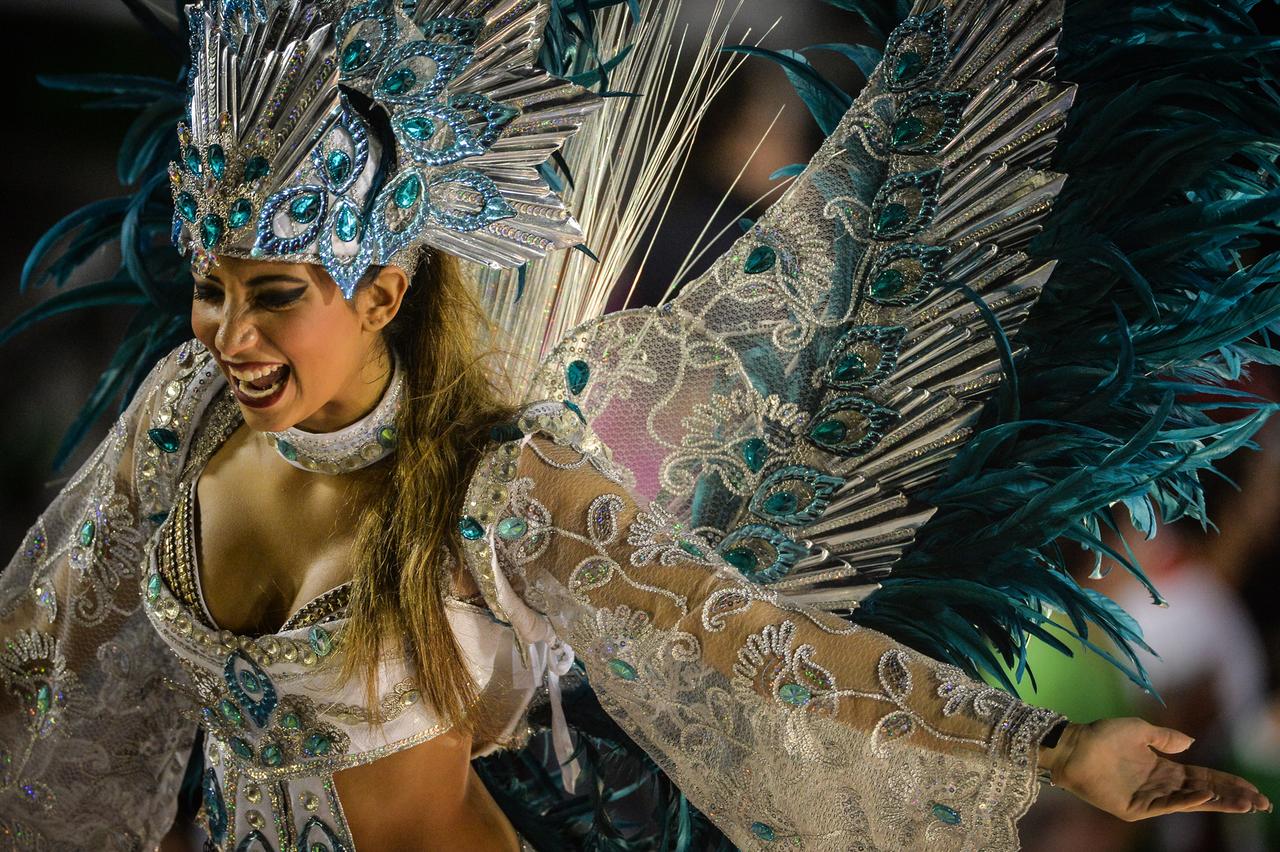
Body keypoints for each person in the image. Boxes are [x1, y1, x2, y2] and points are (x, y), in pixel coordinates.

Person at [0, 0, 1273, 849]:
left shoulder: (493, 488)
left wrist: (1052, 746)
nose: (230, 333)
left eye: (274, 297)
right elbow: (45, 643)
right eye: (211, 291)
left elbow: (752, 648)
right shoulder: (183, 415)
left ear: (382, 291)